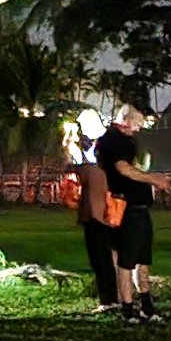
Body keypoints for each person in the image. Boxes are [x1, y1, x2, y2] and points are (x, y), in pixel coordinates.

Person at [99, 103, 171, 324]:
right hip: (125, 208)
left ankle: (146, 305)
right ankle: (128, 308)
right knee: (126, 261)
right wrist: (155, 180)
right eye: (138, 124)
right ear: (126, 120)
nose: (140, 129)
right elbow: (124, 169)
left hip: (140, 208)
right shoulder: (112, 141)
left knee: (142, 258)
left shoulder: (128, 142)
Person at [72, 109, 118, 314]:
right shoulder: (91, 147)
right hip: (93, 208)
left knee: (103, 255)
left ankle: (110, 297)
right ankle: (107, 296)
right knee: (98, 255)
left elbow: (90, 169)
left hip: (100, 209)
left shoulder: (101, 146)